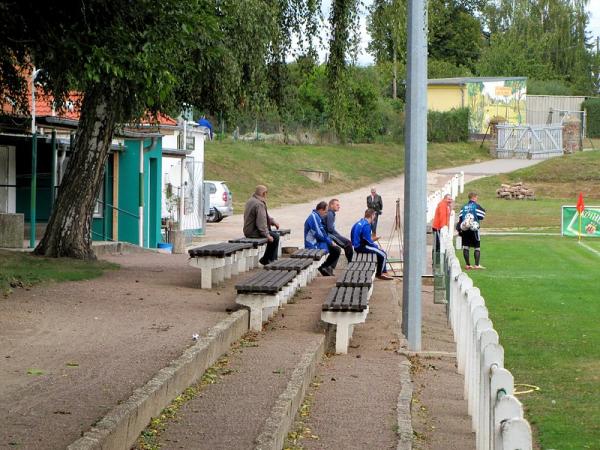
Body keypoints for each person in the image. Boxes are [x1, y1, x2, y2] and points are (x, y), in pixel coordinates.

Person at [243, 185, 280, 265]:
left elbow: (264, 217)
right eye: (266, 193)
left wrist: (273, 222)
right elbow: (261, 223)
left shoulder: (251, 200)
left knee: (274, 235)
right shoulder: (259, 204)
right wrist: (267, 235)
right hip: (253, 231)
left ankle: (271, 259)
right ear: (263, 193)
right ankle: (267, 260)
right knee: (275, 237)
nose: (267, 195)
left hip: (248, 230)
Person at [351, 209, 392, 280]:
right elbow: (369, 242)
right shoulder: (366, 225)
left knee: (379, 252)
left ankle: (382, 271)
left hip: (357, 246)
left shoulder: (359, 222)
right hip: (361, 247)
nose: (375, 217)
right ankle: (381, 273)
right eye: (374, 215)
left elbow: (355, 235)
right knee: (383, 254)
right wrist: (377, 246)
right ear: (372, 215)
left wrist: (373, 242)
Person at [304, 201, 341, 276]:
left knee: (336, 249)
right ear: (320, 210)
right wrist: (329, 242)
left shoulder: (317, 217)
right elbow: (319, 234)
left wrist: (329, 241)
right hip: (312, 245)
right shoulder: (313, 217)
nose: (326, 214)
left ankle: (325, 267)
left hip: (317, 243)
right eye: (325, 212)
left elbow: (323, 232)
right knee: (335, 249)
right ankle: (324, 267)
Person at [457, 192, 486, 270]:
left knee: (466, 247)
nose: (477, 199)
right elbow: (482, 215)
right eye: (476, 197)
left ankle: (468, 265)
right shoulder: (476, 206)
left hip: (465, 229)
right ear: (474, 197)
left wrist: (459, 229)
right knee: (477, 247)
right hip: (474, 229)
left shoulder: (463, 207)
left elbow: (460, 218)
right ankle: (476, 265)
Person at [323, 198, 353, 263]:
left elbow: (331, 229)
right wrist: (338, 236)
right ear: (331, 205)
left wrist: (339, 236)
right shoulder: (330, 213)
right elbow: (330, 229)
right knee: (348, 244)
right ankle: (350, 262)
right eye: (337, 205)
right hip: (328, 235)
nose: (339, 206)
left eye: (338, 205)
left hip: (330, 234)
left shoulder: (330, 213)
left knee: (344, 244)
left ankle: (350, 262)